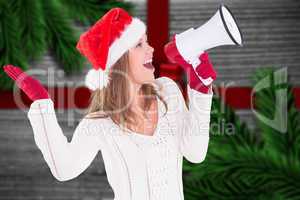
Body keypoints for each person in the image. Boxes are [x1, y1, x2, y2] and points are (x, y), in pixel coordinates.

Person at [3, 7, 216, 200]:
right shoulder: (99, 124)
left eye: (147, 41)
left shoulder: (167, 91)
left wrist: (200, 90)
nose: (151, 49)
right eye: (139, 44)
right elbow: (64, 169)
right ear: (117, 61)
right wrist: (42, 105)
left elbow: (195, 153)